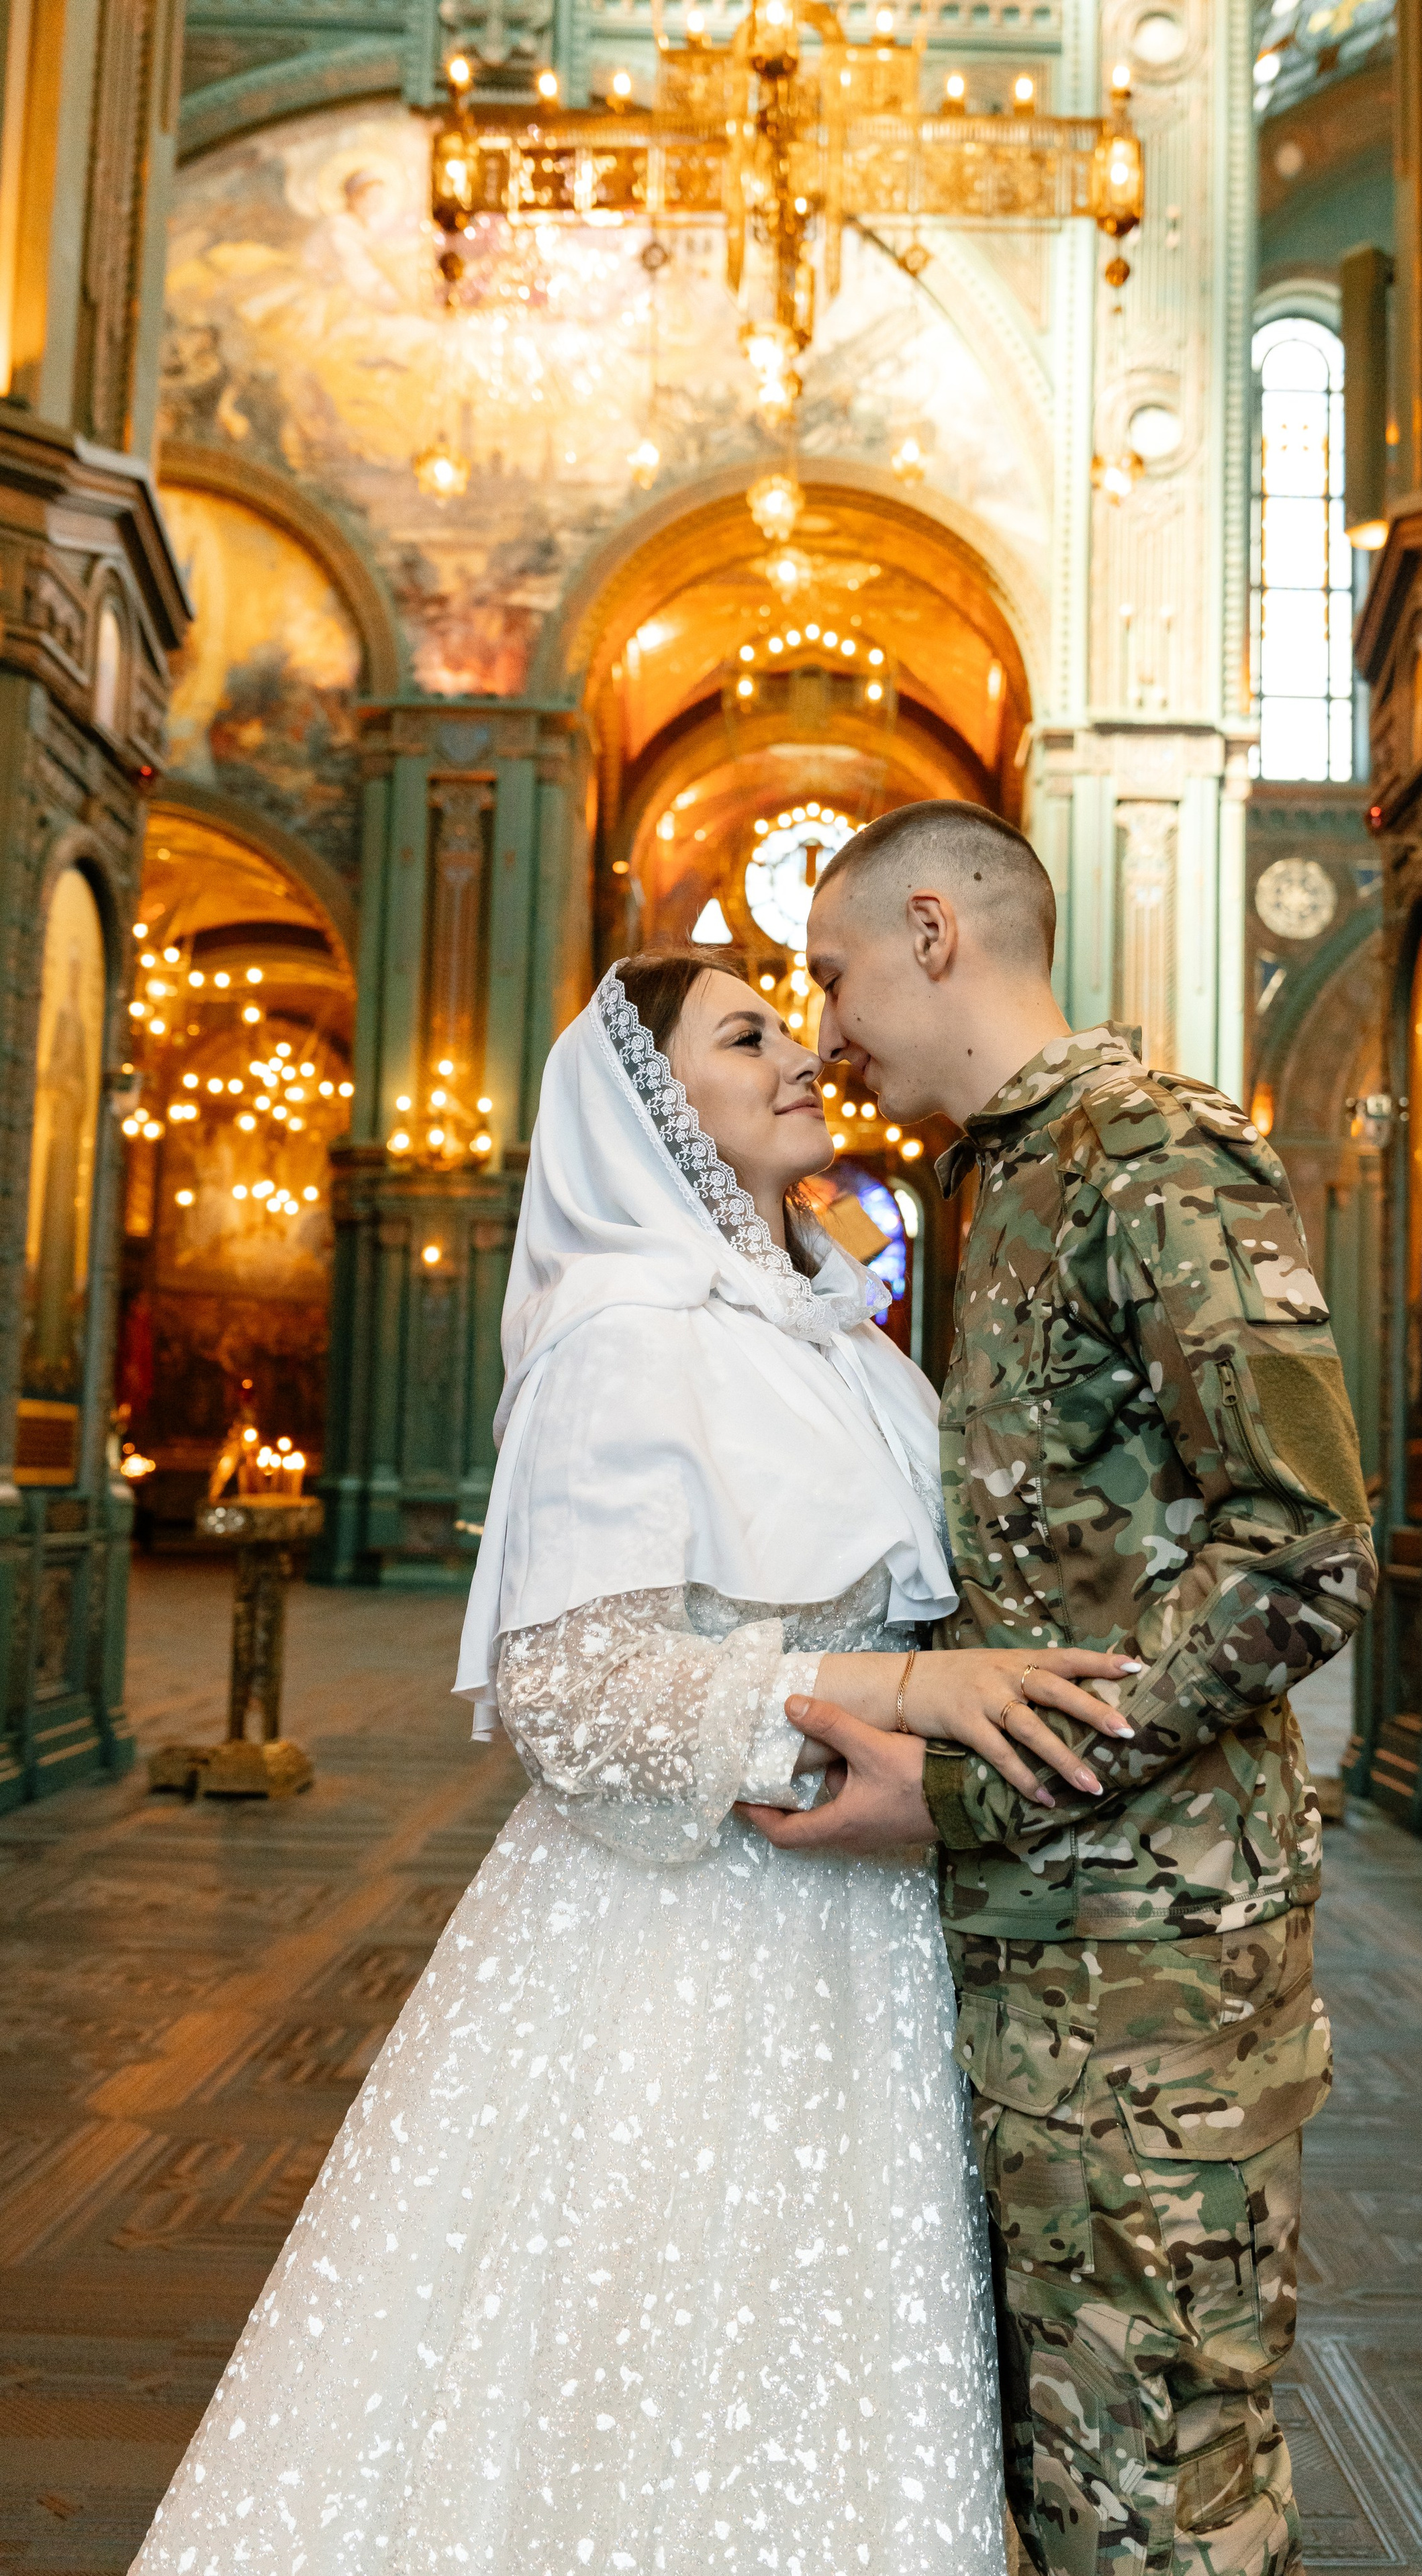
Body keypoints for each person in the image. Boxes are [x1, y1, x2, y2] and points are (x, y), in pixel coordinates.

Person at [130, 944, 1139, 2576]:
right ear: (653, 1104)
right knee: (628, 2369)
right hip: (679, 1949)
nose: (804, 1052)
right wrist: (905, 1683)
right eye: (747, 1036)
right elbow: (576, 1694)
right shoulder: (620, 1336)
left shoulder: (851, 1347)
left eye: (792, 1024)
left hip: (864, 1938)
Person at [743, 807, 1378, 2576]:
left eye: (834, 969)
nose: (823, 1022)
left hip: (1155, 1977)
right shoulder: (997, 1172)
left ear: (933, 932)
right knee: (1059, 2482)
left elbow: (1309, 1545)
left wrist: (966, 1787)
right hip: (1035, 1951)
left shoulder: (1147, 1156)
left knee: (1163, 2495)